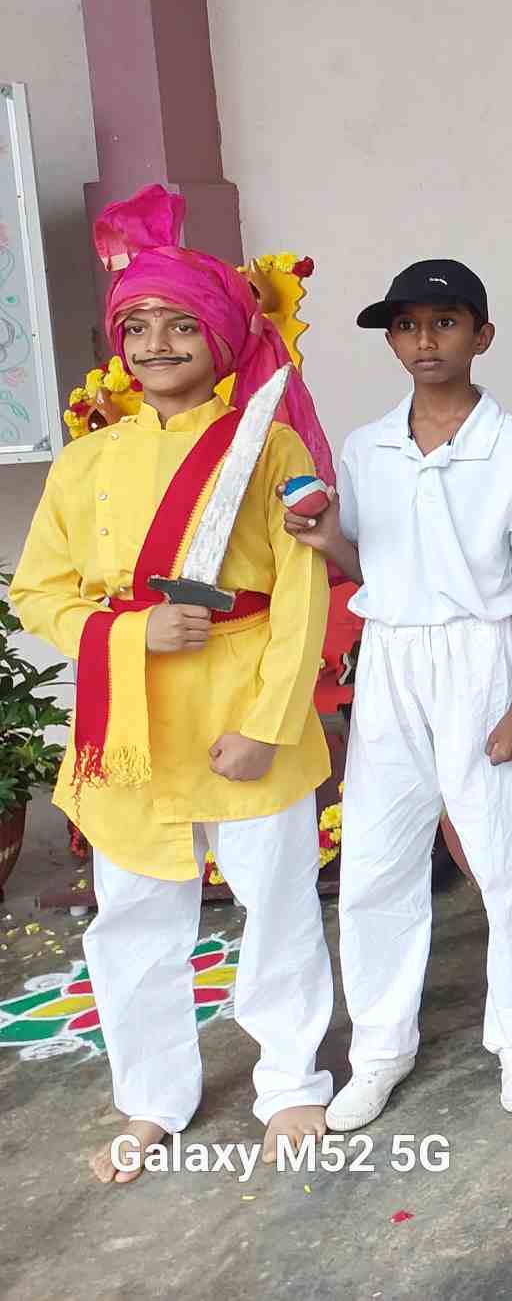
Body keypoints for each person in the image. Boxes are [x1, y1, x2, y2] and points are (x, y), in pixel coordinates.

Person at [13, 185, 337, 1181]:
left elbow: (301, 593)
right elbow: (39, 592)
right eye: (138, 325)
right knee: (135, 922)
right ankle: (151, 1100)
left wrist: (270, 723)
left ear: (222, 337)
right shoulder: (85, 463)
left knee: (276, 906)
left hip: (239, 714)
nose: (156, 343)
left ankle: (290, 1081)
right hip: (127, 730)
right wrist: (129, 630)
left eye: (181, 323)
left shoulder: (267, 445)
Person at [284, 259, 512, 1128]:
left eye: (443, 323)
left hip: (481, 657)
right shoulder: (367, 447)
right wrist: (327, 540)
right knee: (375, 861)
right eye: (406, 326)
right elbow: (367, 566)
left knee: (505, 858)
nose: (423, 341)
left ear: (482, 335)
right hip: (392, 660)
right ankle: (379, 1050)